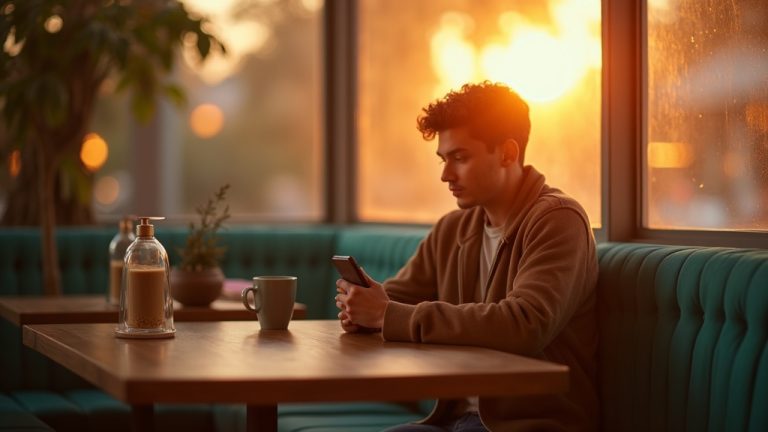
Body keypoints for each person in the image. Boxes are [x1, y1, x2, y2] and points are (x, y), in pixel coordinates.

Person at [335, 81, 598, 432]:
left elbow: (525, 323)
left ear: (507, 152)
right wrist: (364, 309)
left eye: (460, 158)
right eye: (444, 160)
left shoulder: (558, 220)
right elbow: (398, 297)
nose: (445, 175)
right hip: (454, 420)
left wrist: (387, 314)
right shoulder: (454, 228)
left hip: (530, 424)